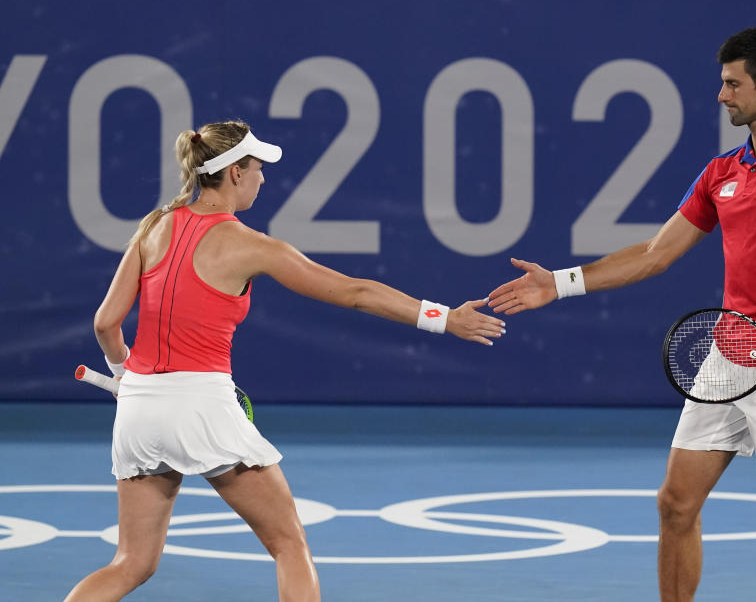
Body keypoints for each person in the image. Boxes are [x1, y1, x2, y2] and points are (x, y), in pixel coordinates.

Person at [487, 26, 756, 602]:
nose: (722, 96)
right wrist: (560, 285)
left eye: (732, 84)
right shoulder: (721, 172)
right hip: (725, 359)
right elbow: (653, 253)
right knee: (675, 503)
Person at [64, 120, 507, 602]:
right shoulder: (255, 246)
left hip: (138, 410)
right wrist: (445, 319)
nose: (263, 178)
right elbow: (355, 293)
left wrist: (125, 372)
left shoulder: (153, 226)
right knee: (289, 546)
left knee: (130, 563)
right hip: (201, 405)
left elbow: (106, 323)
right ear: (234, 173)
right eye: (257, 169)